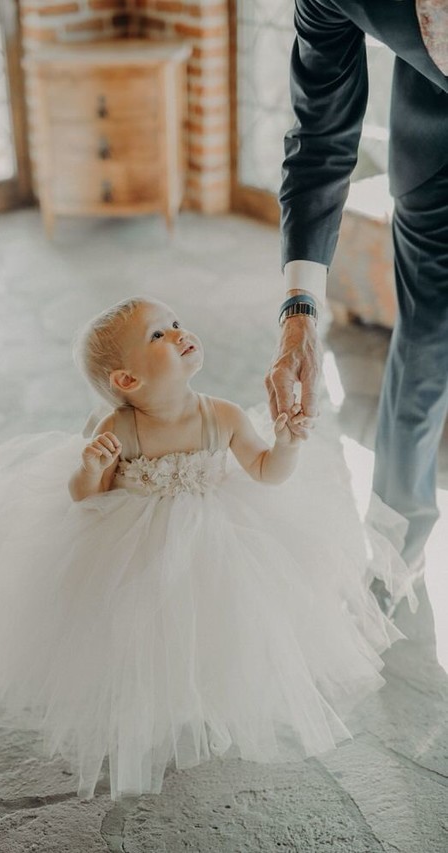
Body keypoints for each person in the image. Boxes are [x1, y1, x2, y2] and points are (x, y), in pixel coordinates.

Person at [0, 297, 416, 801]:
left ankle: (209, 693)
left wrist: (288, 443)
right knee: (144, 629)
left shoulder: (224, 415)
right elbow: (86, 498)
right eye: (158, 334)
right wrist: (91, 468)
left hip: (220, 538)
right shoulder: (117, 428)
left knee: (218, 622)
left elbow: (266, 473)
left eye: (175, 322)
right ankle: (155, 698)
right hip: (137, 544)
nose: (179, 333)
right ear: (127, 381)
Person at [267, 0, 448, 612]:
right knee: (423, 354)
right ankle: (398, 550)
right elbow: (319, 139)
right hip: (438, 158)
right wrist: (300, 312)